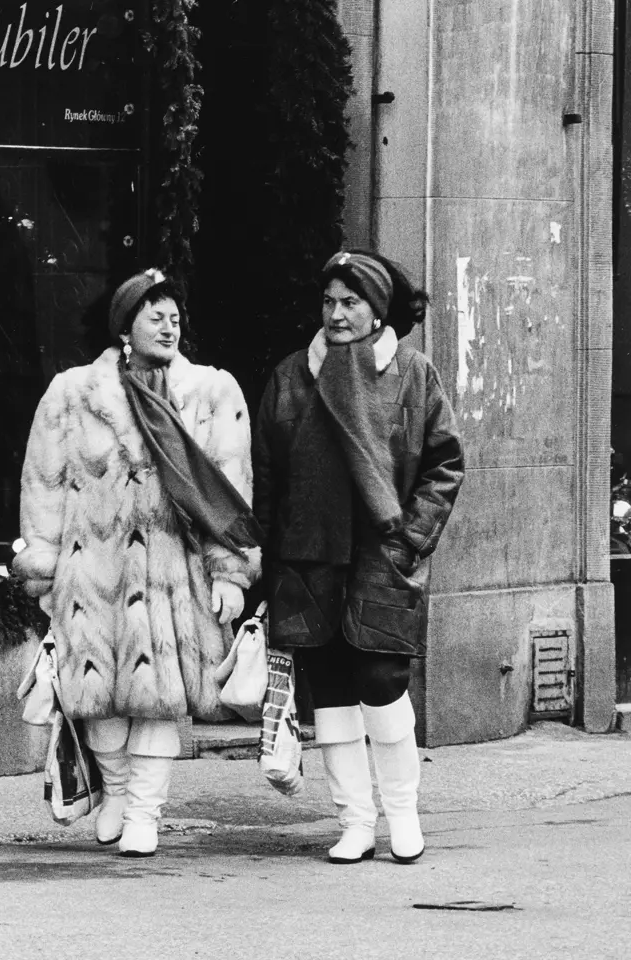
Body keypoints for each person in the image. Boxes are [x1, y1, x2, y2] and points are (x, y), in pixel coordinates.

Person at [14, 268, 262, 856]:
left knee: (159, 697)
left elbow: (229, 491)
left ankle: (146, 812)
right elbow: (44, 484)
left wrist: (229, 572)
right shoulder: (72, 393)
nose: (170, 327)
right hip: (92, 571)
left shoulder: (210, 392)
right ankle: (118, 791)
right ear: (126, 326)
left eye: (176, 318)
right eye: (156, 317)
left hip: (174, 571)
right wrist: (46, 569)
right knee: (96, 696)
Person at [252, 250, 464, 865]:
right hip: (308, 556)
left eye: (351, 302)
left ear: (377, 311)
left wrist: (408, 540)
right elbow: (267, 474)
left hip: (380, 554)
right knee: (332, 691)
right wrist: (268, 560)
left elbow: (444, 464)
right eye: (329, 302)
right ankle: (354, 821)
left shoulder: (413, 373)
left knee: (382, 679)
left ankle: (402, 813)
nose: (337, 314)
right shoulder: (293, 375)